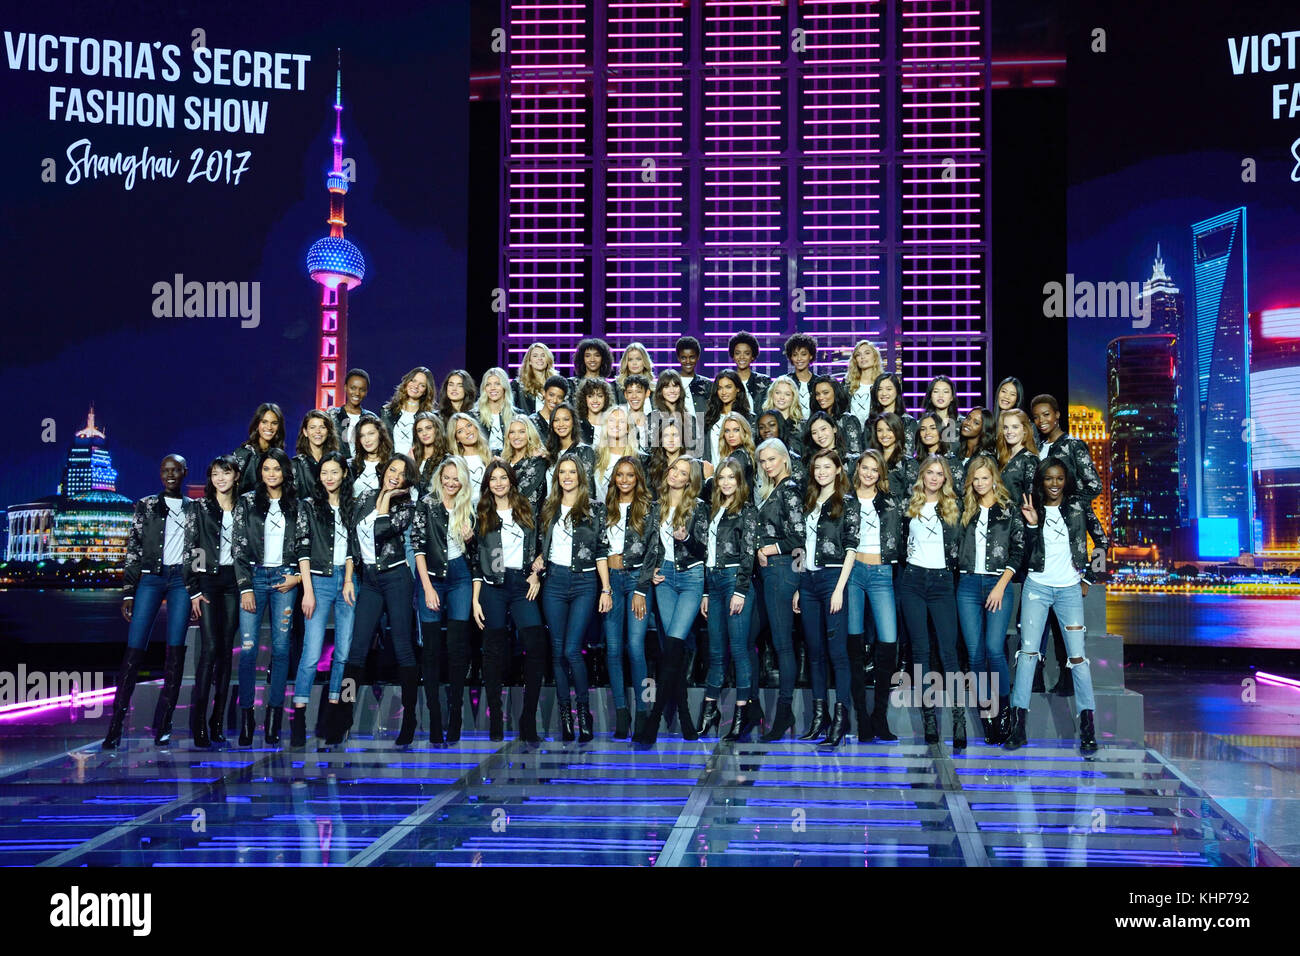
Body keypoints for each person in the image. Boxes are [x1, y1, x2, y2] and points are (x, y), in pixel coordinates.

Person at [1004, 460, 1109, 754]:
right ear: (1041, 481)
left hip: (1069, 591)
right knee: (1027, 655)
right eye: (1048, 478)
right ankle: (1017, 727)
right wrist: (1033, 523)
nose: (1053, 483)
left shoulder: (1078, 506)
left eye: (1059, 478)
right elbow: (1023, 550)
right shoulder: (1029, 507)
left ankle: (1088, 731)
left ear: (1066, 481)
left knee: (1078, 658)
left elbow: (1101, 539)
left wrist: (1089, 576)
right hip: (1036, 588)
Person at [103, 455, 203, 751]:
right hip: (149, 579)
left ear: (185, 473)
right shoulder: (146, 505)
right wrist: (128, 592)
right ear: (161, 474)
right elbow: (133, 547)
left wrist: (195, 589)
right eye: (165, 470)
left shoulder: (193, 508)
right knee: (133, 651)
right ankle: (115, 725)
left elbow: (199, 550)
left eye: (175, 470)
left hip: (180, 582)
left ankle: (165, 724)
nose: (170, 475)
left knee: (175, 652)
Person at [340, 455, 421, 747]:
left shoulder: (406, 505)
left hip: (397, 577)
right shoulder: (365, 496)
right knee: (356, 649)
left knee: (402, 648)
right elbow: (353, 538)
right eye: (392, 470)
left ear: (407, 481)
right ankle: (343, 715)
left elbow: (381, 530)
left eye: (402, 473)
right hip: (370, 581)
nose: (395, 476)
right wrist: (349, 578)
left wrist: (387, 498)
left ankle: (409, 718)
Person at [536, 453, 612, 742]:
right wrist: (538, 566)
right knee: (557, 653)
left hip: (584, 582)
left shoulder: (595, 509)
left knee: (571, 650)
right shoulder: (549, 507)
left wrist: (606, 588)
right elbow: (543, 546)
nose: (567, 476)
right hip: (554, 582)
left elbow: (602, 550)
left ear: (580, 475)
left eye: (572, 472)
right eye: (562, 472)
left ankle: (584, 712)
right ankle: (565, 716)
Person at [471, 459, 547, 743]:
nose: (499, 483)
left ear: (511, 481)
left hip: (521, 585)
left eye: (504, 478)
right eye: (494, 479)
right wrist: (476, 599)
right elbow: (476, 561)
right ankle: (496, 718)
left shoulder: (526, 509)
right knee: (493, 653)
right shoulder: (481, 513)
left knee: (536, 645)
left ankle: (528, 720)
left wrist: (537, 574)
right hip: (493, 586)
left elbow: (541, 548)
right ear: (488, 484)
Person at [633, 457, 706, 747]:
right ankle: (685, 717)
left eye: (683, 473)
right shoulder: (655, 506)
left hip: (690, 578)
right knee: (670, 652)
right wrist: (649, 572)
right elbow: (649, 546)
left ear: (690, 480)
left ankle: (654, 721)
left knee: (674, 646)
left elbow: (703, 550)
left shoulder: (698, 507)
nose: (675, 474)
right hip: (664, 579)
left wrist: (686, 537)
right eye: (673, 469)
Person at [232, 448, 301, 747]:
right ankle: (247, 720)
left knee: (281, 649)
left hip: (285, 578)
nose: (271, 474)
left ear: (285, 471)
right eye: (266, 469)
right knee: (247, 650)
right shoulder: (247, 502)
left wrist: (297, 575)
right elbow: (238, 545)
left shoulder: (297, 504)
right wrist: (245, 586)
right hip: (255, 578)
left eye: (276, 469)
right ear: (260, 472)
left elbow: (304, 543)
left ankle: (273, 722)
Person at [955, 455, 1025, 745]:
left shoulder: (1009, 511)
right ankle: (987, 716)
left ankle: (1004, 712)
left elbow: (1018, 551)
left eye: (985, 477)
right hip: (968, 585)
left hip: (999, 584)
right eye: (976, 478)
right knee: (974, 654)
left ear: (994, 478)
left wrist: (1000, 585)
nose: (981, 483)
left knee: (994, 650)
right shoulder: (964, 510)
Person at [898, 455, 965, 749]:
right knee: (921, 652)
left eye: (940, 474)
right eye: (930, 473)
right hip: (912, 580)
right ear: (922, 475)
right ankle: (929, 721)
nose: (934, 478)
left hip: (942, 582)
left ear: (945, 478)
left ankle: (959, 719)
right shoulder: (908, 505)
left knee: (949, 652)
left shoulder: (953, 507)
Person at [794, 448, 860, 747]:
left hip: (833, 580)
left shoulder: (847, 503)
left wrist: (839, 589)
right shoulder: (808, 502)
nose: (821, 472)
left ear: (837, 470)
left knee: (838, 654)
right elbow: (802, 545)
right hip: (807, 581)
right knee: (815, 653)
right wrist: (798, 585)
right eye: (817, 467)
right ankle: (820, 718)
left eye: (826, 467)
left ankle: (841, 719)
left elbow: (851, 548)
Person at [292, 450, 356, 747]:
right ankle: (299, 716)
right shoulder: (308, 506)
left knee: (344, 653)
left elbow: (354, 547)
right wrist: (307, 590)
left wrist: (347, 580)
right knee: (312, 654)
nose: (329, 477)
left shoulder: (352, 504)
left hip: (348, 579)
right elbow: (302, 548)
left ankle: (334, 717)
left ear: (344, 473)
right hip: (316, 579)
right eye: (324, 473)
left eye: (334, 472)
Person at [412, 456, 477, 747]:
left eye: (456, 478)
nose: (451, 483)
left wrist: (471, 537)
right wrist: (427, 588)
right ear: (440, 477)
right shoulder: (427, 504)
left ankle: (455, 717)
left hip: (460, 577)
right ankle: (434, 718)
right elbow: (418, 547)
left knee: (457, 649)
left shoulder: (469, 506)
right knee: (431, 652)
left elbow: (477, 555)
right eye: (447, 477)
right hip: (432, 579)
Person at [698, 459, 760, 740]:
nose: (725, 482)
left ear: (739, 481)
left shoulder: (746, 510)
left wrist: (740, 590)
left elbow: (748, 554)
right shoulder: (711, 509)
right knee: (715, 652)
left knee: (739, 651)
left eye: (731, 478)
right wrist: (707, 592)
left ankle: (741, 714)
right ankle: (710, 712)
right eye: (721, 477)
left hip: (735, 581)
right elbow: (707, 553)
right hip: (714, 581)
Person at [845, 450, 903, 742]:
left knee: (888, 643)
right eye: (865, 468)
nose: (869, 474)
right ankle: (861, 719)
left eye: (874, 470)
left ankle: (879, 717)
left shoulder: (890, 501)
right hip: (853, 572)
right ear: (858, 468)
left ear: (881, 474)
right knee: (854, 645)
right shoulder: (845, 499)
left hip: (881, 573)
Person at [752, 438, 804, 741]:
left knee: (783, 644)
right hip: (768, 576)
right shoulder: (772, 490)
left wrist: (769, 548)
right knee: (748, 640)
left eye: (772, 459)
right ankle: (753, 709)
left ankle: (784, 711)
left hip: (782, 573)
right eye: (763, 461)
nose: (768, 465)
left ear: (784, 459)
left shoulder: (791, 490)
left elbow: (799, 538)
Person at [601, 456, 656, 739]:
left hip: (636, 581)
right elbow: (599, 549)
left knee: (635, 648)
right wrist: (605, 587)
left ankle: (644, 713)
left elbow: (653, 551)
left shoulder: (648, 509)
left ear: (638, 479)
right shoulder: (604, 509)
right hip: (610, 581)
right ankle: (621, 713)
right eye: (620, 475)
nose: (624, 480)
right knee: (612, 649)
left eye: (630, 475)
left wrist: (640, 590)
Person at [190, 454, 241, 748]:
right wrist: (195, 588)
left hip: (234, 581)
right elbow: (193, 545)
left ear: (235, 476)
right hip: (208, 580)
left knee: (225, 650)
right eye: (215, 474)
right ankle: (198, 723)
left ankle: (217, 721)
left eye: (225, 473)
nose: (220, 479)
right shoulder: (201, 507)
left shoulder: (244, 507)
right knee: (209, 649)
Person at [1029, 394, 1102, 505]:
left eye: (1046, 414)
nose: (1041, 420)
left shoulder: (1073, 445)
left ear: (1057, 414)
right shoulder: (1038, 448)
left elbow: (1094, 486)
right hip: (1044, 517)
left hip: (1070, 520)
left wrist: (1067, 504)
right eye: (1036, 417)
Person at [544, 402, 597, 499]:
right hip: (551, 510)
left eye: (566, 419)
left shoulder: (584, 451)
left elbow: (588, 490)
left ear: (573, 422)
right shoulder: (549, 452)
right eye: (556, 420)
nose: (561, 424)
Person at [382, 367, 437, 458]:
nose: (415, 386)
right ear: (407, 382)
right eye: (413, 380)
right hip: (390, 467)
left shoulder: (431, 418)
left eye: (422, 385)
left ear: (425, 391)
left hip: (417, 467)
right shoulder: (387, 413)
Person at [703, 370, 754, 467]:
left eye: (728, 387)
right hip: (713, 476)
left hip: (739, 475)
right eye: (720, 388)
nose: (723, 392)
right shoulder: (710, 418)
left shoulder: (749, 419)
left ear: (738, 388)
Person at [232, 403, 286, 494]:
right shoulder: (244, 454)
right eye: (264, 422)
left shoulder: (279, 455)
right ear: (257, 424)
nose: (269, 427)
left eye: (274, 423)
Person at [593, 406, 641, 503]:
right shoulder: (594, 455)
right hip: (598, 515)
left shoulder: (640, 458)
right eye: (612, 420)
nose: (616, 425)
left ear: (628, 428)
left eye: (622, 421)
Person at [504, 416, 550, 516]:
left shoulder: (538, 461)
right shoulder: (505, 459)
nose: (516, 436)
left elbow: (520, 492)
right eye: (512, 432)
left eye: (521, 432)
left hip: (527, 518)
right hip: (503, 516)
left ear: (529, 434)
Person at [292, 409, 341, 501]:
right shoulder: (296, 464)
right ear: (305, 432)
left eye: (322, 427)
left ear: (328, 431)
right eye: (312, 427)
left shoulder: (336, 461)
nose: (317, 431)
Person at [447, 412, 492, 508]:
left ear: (475, 427)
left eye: (469, 425)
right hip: (465, 511)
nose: (468, 431)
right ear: (457, 439)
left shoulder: (491, 455)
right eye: (460, 431)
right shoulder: (454, 463)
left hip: (489, 508)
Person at [996, 408, 1039, 508]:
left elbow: (1033, 500)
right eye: (1006, 427)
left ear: (1024, 430)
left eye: (1015, 427)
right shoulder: (1003, 458)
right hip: (1000, 520)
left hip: (1019, 520)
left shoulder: (1030, 460)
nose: (1009, 432)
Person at [330, 368, 377, 458]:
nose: (357, 393)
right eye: (353, 388)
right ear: (345, 387)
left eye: (362, 389)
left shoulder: (372, 418)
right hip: (337, 468)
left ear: (366, 392)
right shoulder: (332, 416)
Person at [869, 373, 918, 456]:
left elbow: (907, 454)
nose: (884, 393)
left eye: (889, 389)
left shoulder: (908, 422)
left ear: (897, 390)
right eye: (880, 389)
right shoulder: (870, 421)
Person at [476, 367, 519, 455]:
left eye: (497, 384)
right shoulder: (474, 416)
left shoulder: (517, 415)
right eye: (488, 384)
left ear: (504, 387)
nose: (493, 388)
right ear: (484, 388)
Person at [873, 412, 918, 496]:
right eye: (879, 430)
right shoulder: (872, 460)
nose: (884, 435)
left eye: (889, 430)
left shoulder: (908, 463)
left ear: (897, 431)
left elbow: (913, 495)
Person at [350, 413, 393, 498]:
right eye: (362, 435)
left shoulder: (391, 465)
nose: (367, 440)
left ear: (380, 434)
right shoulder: (351, 465)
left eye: (371, 433)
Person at [842, 340, 882, 431]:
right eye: (858, 355)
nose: (862, 357)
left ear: (875, 357)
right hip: (850, 435)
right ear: (855, 360)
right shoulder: (847, 383)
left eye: (867, 353)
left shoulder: (881, 383)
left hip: (874, 434)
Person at [762, 375, 806, 458]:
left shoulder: (803, 426)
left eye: (787, 394)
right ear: (772, 394)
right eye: (778, 393)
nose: (781, 397)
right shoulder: (763, 423)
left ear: (793, 397)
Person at [727, 331, 771, 409]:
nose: (742, 357)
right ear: (733, 356)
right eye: (737, 353)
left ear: (753, 356)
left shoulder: (764, 381)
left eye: (746, 353)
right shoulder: (727, 381)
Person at [673, 335, 713, 421]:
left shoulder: (707, 384)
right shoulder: (671, 383)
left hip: (701, 430)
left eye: (692, 357)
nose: (688, 361)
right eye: (683, 358)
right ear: (678, 358)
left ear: (698, 357)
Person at [411, 411, 450, 495]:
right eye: (420, 430)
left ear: (437, 429)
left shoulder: (447, 459)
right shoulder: (412, 456)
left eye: (428, 428)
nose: (424, 433)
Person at [513, 342, 557, 413]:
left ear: (548, 360)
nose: (540, 358)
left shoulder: (556, 383)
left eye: (543, 355)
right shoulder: (518, 385)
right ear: (529, 361)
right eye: (535, 356)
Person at [783, 332, 818, 418]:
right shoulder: (785, 381)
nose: (799, 359)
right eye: (795, 355)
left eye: (803, 354)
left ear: (810, 356)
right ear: (790, 357)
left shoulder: (818, 382)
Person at [923, 375, 961, 455]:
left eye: (945, 392)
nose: (940, 395)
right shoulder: (922, 424)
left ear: (952, 397)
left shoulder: (961, 424)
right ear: (930, 396)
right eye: (936, 391)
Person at [529, 374, 570, 445]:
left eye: (559, 397)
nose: (554, 400)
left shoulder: (566, 422)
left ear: (563, 400)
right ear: (544, 393)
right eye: (551, 395)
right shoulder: (531, 422)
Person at [576, 377, 615, 447]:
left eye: (600, 396)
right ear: (584, 399)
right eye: (590, 396)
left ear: (606, 398)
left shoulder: (612, 425)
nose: (595, 400)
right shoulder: (577, 425)